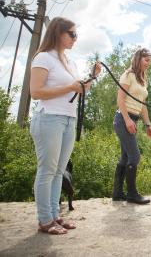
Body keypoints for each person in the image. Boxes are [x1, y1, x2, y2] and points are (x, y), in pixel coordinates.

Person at [30, 17, 100, 234]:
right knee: (47, 171)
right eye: (72, 34)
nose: (75, 38)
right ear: (58, 33)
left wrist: (91, 79)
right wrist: (70, 86)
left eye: (76, 34)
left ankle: (55, 216)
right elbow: (36, 92)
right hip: (49, 118)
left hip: (68, 120)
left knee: (59, 171)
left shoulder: (70, 62)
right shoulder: (43, 57)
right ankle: (45, 220)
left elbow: (77, 89)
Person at [112, 48, 151, 204]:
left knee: (125, 157)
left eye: (150, 61)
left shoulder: (143, 79)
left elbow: (142, 105)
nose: (148, 63)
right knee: (134, 156)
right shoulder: (128, 74)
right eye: (146, 60)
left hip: (133, 119)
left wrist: (148, 124)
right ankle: (131, 194)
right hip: (123, 119)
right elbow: (120, 98)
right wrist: (127, 120)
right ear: (138, 59)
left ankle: (117, 193)